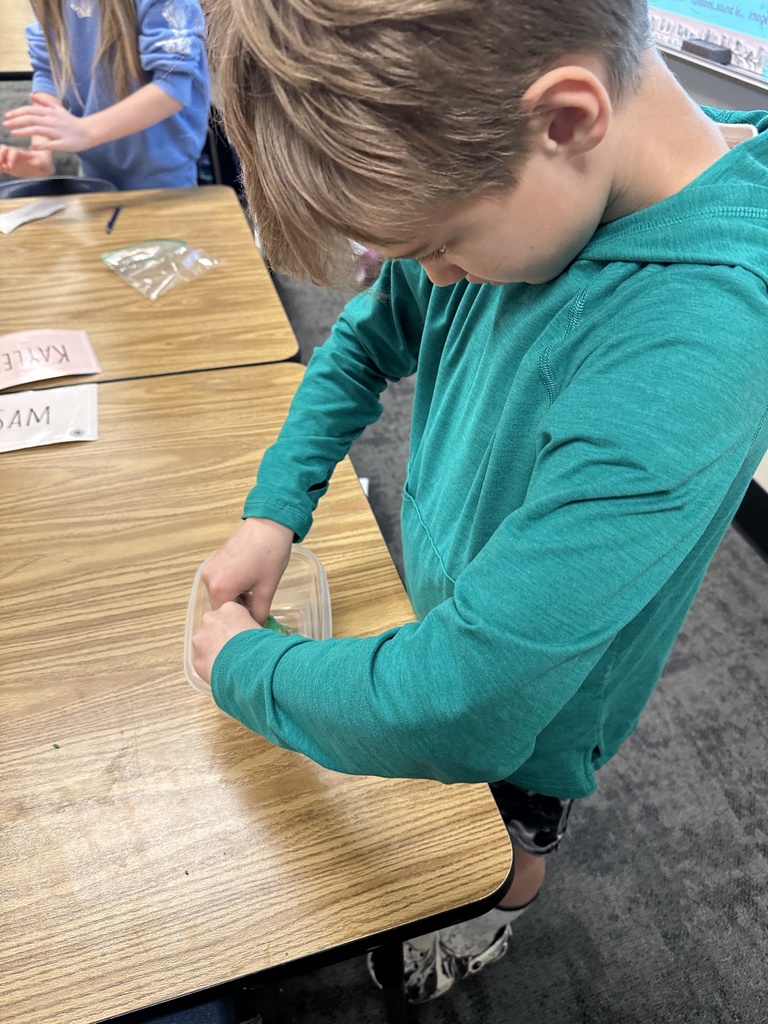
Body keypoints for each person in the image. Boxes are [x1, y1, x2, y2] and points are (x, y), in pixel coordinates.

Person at [191, 0, 768, 1003]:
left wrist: (244, 669)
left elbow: (470, 704)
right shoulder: (513, 180)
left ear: (567, 119)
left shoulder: (694, 345)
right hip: (468, 609)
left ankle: (495, 911)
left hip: (536, 699)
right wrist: (274, 508)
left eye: (441, 243)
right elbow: (369, 337)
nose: (434, 278)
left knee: (513, 821)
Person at [0, 0, 209, 190]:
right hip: (94, 175)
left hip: (166, 180)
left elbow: (171, 89)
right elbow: (50, 74)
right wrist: (41, 153)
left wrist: (85, 131)